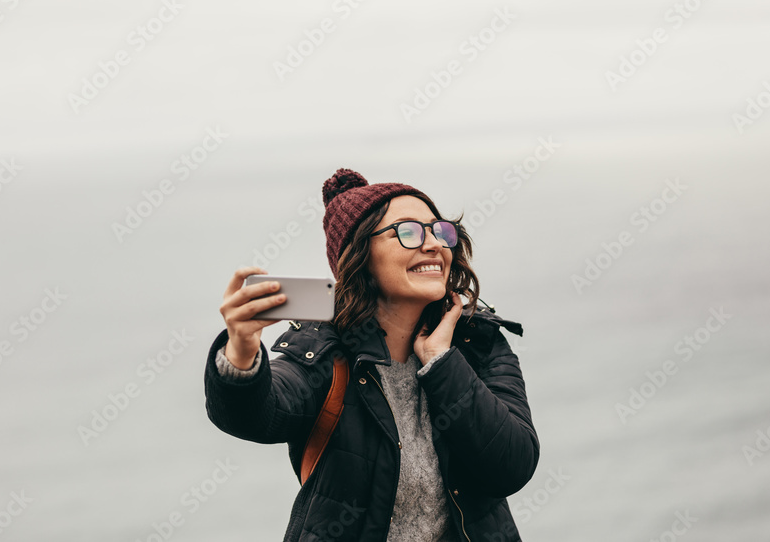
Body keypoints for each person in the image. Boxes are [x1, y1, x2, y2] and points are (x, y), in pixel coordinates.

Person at [204, 168, 539, 541]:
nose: (433, 245)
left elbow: (513, 466)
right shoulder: (320, 349)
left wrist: (442, 362)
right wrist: (242, 349)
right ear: (361, 255)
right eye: (408, 232)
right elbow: (257, 415)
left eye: (440, 230)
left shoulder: (479, 342)